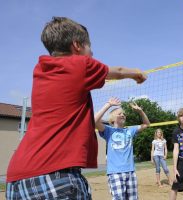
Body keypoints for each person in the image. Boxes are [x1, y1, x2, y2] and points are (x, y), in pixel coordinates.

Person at [6, 17, 147, 200]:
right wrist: (137, 73)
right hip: (55, 176)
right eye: (90, 48)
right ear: (77, 46)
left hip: (16, 178)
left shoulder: (41, 69)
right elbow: (118, 71)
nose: (92, 53)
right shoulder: (80, 64)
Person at [95, 97, 150, 199]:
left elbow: (147, 124)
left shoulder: (129, 130)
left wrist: (141, 111)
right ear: (112, 119)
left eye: (124, 114)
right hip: (115, 173)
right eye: (119, 113)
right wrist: (108, 105)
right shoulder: (108, 130)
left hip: (130, 171)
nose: (122, 115)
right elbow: (94, 121)